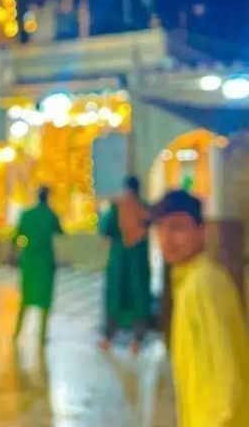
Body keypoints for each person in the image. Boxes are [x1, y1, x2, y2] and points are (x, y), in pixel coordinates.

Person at [152, 190, 249, 427]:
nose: (166, 239)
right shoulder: (193, 282)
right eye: (160, 229)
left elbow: (226, 384)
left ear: (202, 230)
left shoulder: (202, 287)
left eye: (177, 228)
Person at [99, 175, 152, 354]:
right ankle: (137, 341)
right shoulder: (143, 207)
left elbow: (105, 228)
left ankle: (108, 338)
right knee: (139, 298)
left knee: (115, 296)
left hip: (119, 262)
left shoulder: (116, 206)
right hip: (138, 263)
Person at [13, 186, 63, 346]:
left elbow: (17, 237)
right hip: (46, 262)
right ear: (47, 197)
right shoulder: (51, 216)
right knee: (45, 299)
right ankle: (42, 336)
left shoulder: (26, 215)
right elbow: (60, 233)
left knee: (26, 297)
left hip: (29, 261)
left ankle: (17, 332)